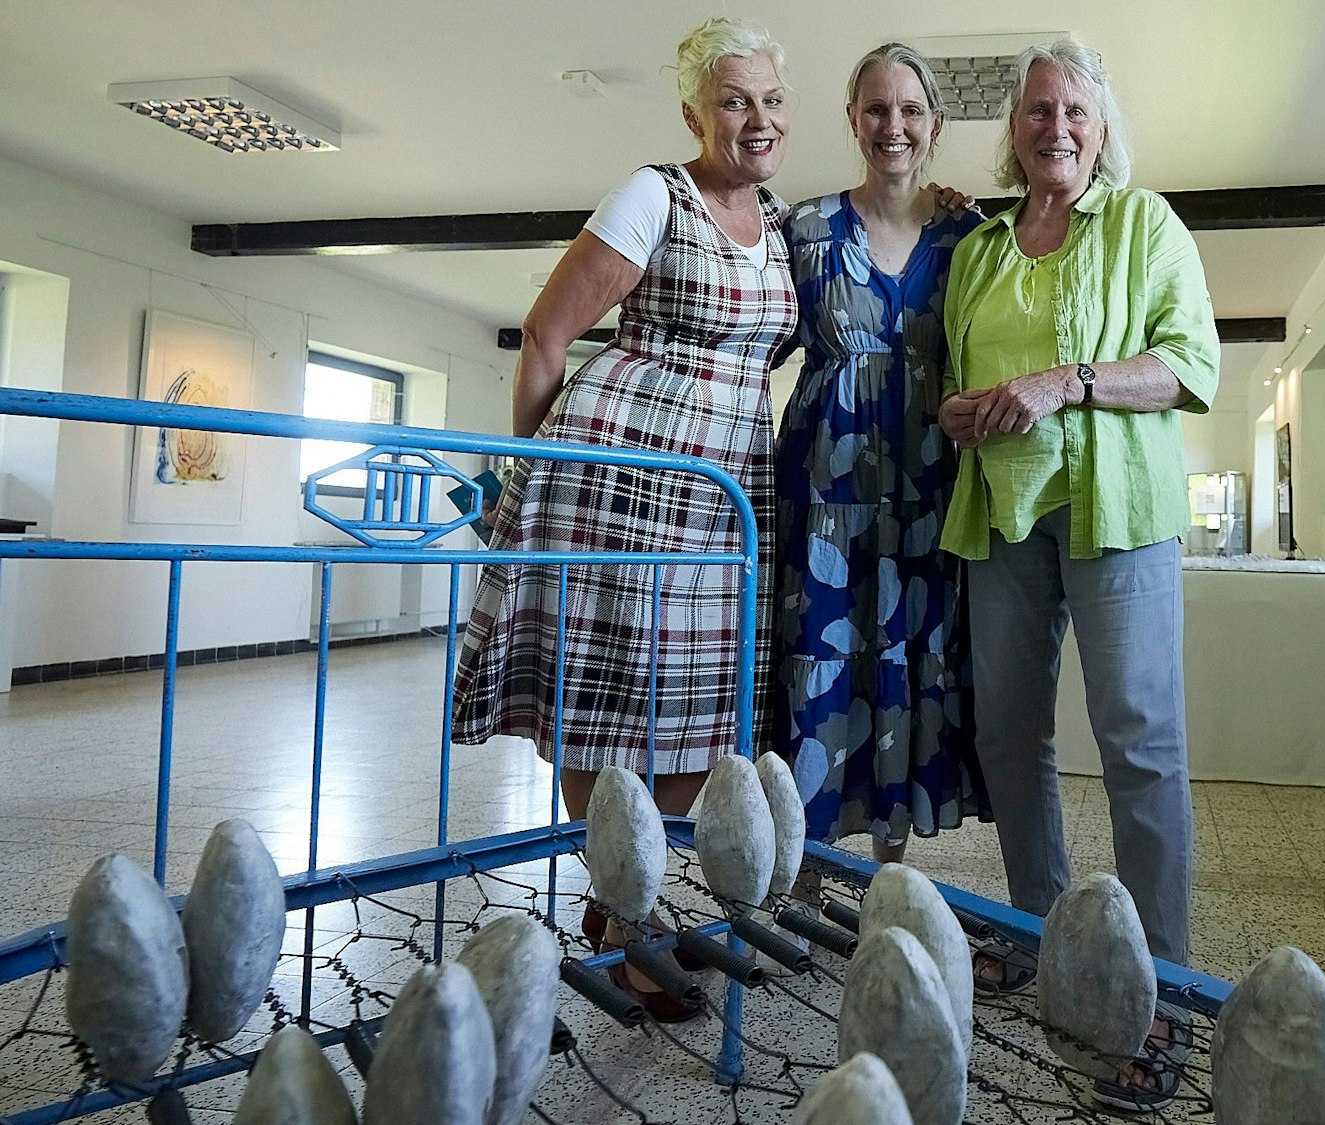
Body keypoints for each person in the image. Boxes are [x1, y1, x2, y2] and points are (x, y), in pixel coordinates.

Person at [450, 16, 796, 1023]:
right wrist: (530, 481)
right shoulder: (656, 193)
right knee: (604, 706)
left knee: (698, 715)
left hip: (728, 488)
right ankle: (632, 921)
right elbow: (549, 336)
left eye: (770, 99)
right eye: (733, 100)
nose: (756, 118)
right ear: (695, 113)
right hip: (619, 477)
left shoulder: (780, 222)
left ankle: (622, 902)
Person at [937, 39, 1220, 1110]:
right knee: (1010, 735)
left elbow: (1188, 364)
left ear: (1100, 130)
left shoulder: (1144, 224)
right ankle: (1041, 932)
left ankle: (1165, 996)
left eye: (1074, 112)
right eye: (1037, 111)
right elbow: (955, 388)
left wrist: (1070, 380)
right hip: (1002, 512)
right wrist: (961, 411)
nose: (1055, 127)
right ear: (1014, 131)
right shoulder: (980, 248)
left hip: (1119, 512)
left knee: (1138, 743)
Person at [772, 43, 989, 869]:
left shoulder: (972, 236)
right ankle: (797, 871)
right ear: (853, 120)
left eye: (908, 110)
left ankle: (891, 868)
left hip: (929, 491)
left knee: (909, 656)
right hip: (823, 495)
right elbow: (759, 343)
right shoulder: (808, 229)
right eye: (875, 109)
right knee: (820, 660)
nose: (891, 125)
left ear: (934, 123)